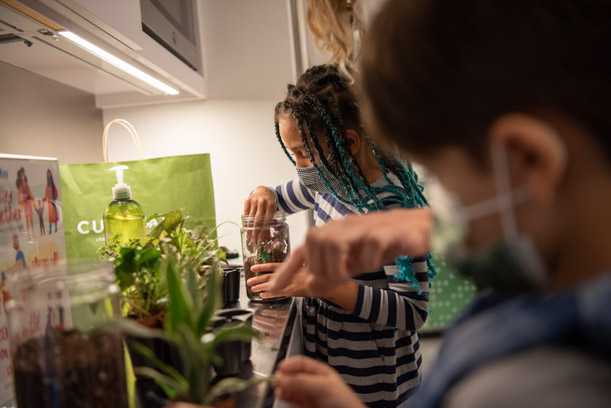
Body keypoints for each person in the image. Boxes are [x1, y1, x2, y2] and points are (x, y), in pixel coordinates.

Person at [272, 0, 611, 407]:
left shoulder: (521, 387)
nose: (436, 211)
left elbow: (411, 309)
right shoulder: (545, 285)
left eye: (443, 179)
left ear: (528, 158)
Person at [244, 63, 433, 407]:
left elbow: (412, 311)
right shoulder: (328, 182)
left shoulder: (391, 209)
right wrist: (264, 192)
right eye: (293, 154)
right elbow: (280, 200)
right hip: (335, 370)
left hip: (375, 386)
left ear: (347, 142)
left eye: (303, 152)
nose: (299, 165)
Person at [16, 167, 34, 239]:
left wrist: (33, 200)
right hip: (25, 203)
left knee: (31, 219)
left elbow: (30, 193)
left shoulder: (27, 186)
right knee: (26, 219)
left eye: (23, 175)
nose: (23, 177)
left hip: (29, 203)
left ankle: (32, 233)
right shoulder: (21, 187)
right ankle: (28, 234)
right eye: (22, 176)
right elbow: (19, 195)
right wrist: (20, 202)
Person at [44, 169, 59, 234]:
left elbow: (56, 193)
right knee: (50, 217)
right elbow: (46, 195)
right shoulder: (47, 186)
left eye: (49, 173)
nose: (49, 175)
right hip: (49, 203)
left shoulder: (54, 185)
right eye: (48, 174)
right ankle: (50, 230)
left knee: (54, 216)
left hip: (53, 202)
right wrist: (43, 199)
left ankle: (55, 229)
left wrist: (54, 198)